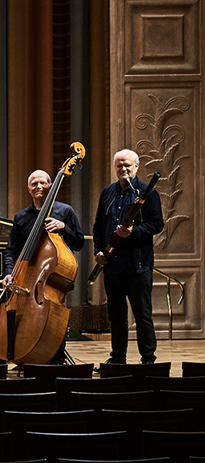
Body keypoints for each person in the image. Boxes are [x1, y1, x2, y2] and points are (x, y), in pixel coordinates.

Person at [0, 170, 85, 366]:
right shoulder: (21, 216)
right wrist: (9, 273)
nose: (39, 187)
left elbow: (79, 242)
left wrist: (64, 227)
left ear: (51, 186)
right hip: (23, 277)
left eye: (43, 183)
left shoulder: (65, 211)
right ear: (28, 189)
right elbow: (11, 250)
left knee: (53, 317)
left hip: (50, 279)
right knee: (7, 308)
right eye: (34, 184)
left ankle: (54, 358)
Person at [93, 149, 164, 366]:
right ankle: (117, 358)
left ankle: (148, 361)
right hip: (113, 266)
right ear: (114, 167)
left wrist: (135, 232)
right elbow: (98, 226)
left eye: (127, 166)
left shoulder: (147, 192)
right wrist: (99, 251)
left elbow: (157, 224)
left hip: (138, 266)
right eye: (119, 166)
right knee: (116, 316)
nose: (123, 169)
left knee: (142, 316)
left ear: (136, 167)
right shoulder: (107, 192)